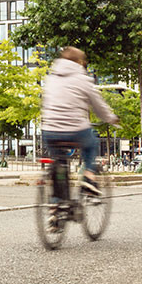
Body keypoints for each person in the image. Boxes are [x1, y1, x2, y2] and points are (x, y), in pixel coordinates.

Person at [40, 47, 119, 204]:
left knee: (58, 162)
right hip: (75, 130)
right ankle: (88, 178)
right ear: (79, 62)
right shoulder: (83, 79)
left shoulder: (50, 78)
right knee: (92, 143)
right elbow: (98, 106)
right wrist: (111, 118)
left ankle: (55, 208)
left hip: (49, 130)